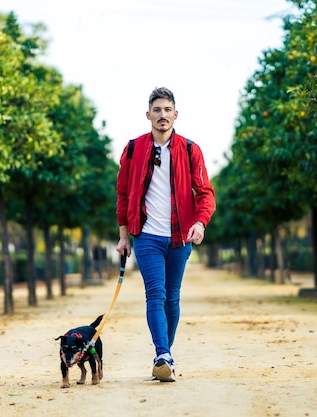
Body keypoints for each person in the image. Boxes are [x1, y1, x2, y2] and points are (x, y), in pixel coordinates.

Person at [116, 87, 216, 382]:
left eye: (167, 110)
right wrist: (124, 235)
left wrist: (200, 223)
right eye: (157, 110)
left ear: (176, 114)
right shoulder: (134, 149)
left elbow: (206, 193)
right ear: (148, 115)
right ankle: (163, 354)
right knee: (155, 294)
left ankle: (164, 355)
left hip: (180, 237)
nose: (162, 115)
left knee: (172, 297)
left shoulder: (189, 149)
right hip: (146, 236)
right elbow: (122, 194)